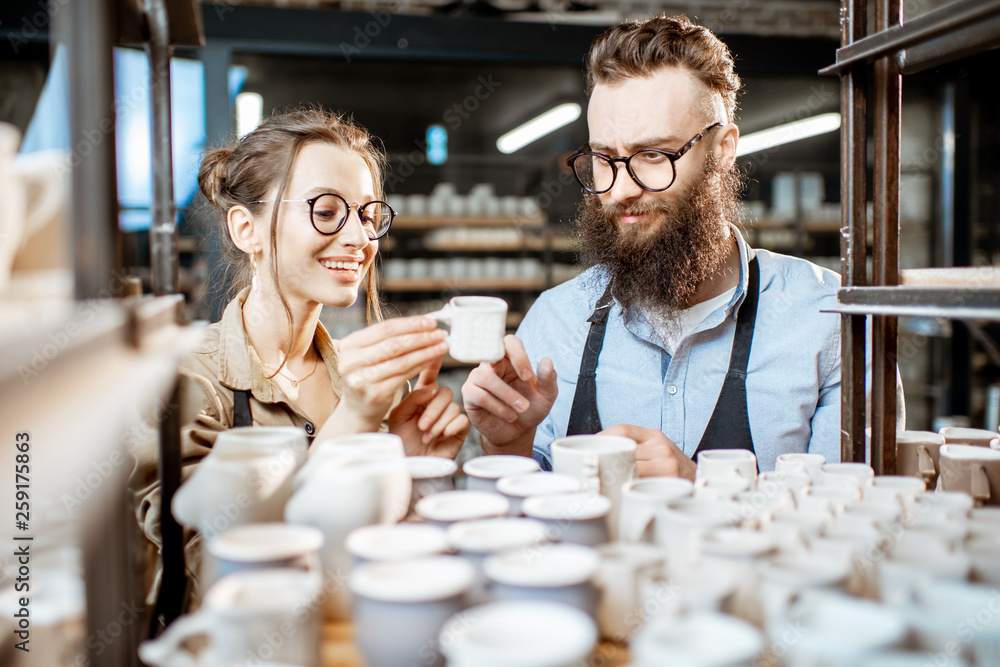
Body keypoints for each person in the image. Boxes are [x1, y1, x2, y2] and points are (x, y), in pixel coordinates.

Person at [462, 16, 875, 479]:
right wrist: (508, 444)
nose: (619, 191)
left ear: (722, 150)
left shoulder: (829, 321)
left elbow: (860, 525)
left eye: (653, 156)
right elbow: (520, 528)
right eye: (604, 159)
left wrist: (702, 489)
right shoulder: (555, 322)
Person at [132, 107, 469, 599]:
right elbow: (204, 581)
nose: (359, 238)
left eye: (369, 216)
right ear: (246, 229)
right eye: (327, 211)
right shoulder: (184, 381)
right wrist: (349, 425)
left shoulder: (375, 385)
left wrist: (409, 472)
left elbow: (382, 566)